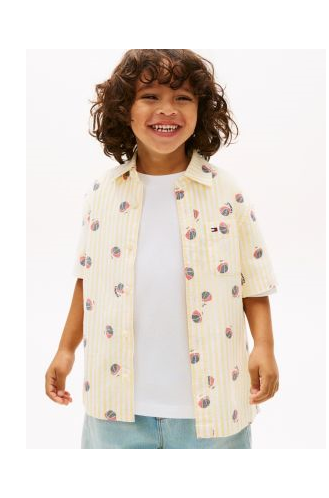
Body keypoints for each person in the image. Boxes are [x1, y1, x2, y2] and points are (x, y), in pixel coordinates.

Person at [45, 49, 279, 449]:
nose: (167, 109)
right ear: (125, 110)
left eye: (182, 98)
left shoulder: (225, 191)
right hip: (116, 408)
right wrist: (65, 350)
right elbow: (88, 280)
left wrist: (265, 347)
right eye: (150, 96)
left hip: (214, 408)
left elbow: (253, 283)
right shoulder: (103, 193)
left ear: (201, 111)